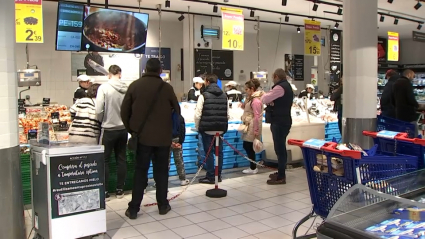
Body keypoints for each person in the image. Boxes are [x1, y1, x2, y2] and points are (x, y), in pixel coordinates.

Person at [121, 58, 180, 219]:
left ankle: (133, 209)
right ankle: (162, 205)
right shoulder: (167, 88)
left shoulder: (135, 86)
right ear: (160, 70)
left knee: (140, 173)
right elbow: (177, 110)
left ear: (145, 69)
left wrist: (132, 130)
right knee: (161, 173)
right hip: (162, 139)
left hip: (142, 139)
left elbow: (124, 111)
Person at [95, 65, 128, 200]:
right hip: (123, 129)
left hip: (108, 129)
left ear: (109, 74)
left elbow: (98, 109)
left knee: (105, 160)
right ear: (120, 73)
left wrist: (102, 120)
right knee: (121, 159)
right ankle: (120, 190)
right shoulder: (127, 88)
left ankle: (106, 191)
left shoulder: (104, 88)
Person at [195, 74, 229, 184]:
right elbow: (227, 114)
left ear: (208, 82)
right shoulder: (224, 96)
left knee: (208, 153)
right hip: (220, 129)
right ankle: (218, 175)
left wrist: (198, 127)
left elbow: (198, 114)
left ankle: (210, 176)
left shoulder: (203, 95)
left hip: (207, 129)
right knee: (220, 152)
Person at [261, 68, 293, 185]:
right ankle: (280, 172)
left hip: (280, 122)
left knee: (279, 149)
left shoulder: (279, 87)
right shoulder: (286, 86)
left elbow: (265, 99)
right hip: (283, 120)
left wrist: (266, 96)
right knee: (280, 148)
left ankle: (281, 176)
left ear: (276, 76)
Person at [241, 79, 264, 174]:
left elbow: (257, 116)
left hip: (252, 126)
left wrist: (256, 130)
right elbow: (245, 108)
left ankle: (253, 167)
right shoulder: (251, 99)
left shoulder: (256, 101)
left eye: (246, 89)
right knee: (248, 146)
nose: (245, 91)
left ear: (252, 89)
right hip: (248, 124)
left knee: (249, 146)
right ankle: (252, 166)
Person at [392, 69, 419, 136]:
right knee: (413, 133)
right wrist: (417, 105)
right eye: (413, 76)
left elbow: (392, 99)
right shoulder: (407, 84)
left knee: (401, 133)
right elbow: (410, 98)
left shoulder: (395, 83)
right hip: (409, 114)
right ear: (408, 75)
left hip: (399, 114)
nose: (413, 78)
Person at [170, 112, 190, 186]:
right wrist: (180, 142)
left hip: (167, 141)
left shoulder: (164, 116)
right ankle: (183, 179)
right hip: (177, 140)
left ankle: (162, 181)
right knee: (179, 160)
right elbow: (182, 130)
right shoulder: (180, 117)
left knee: (165, 162)